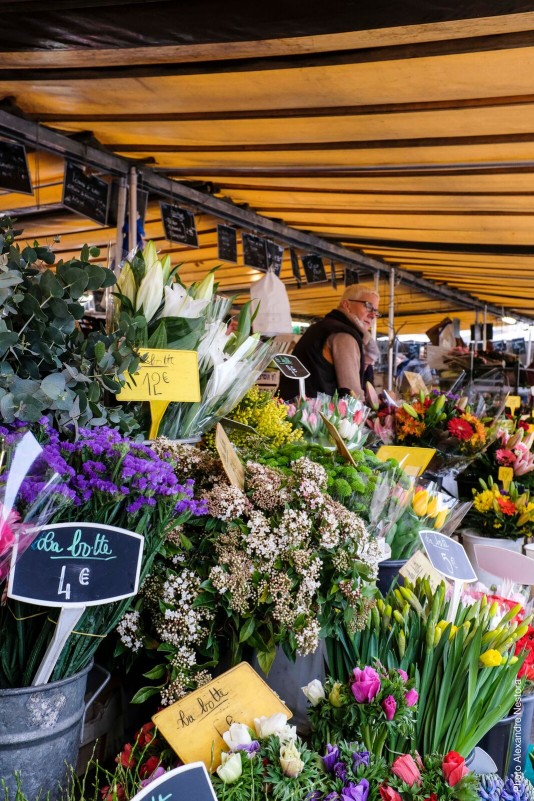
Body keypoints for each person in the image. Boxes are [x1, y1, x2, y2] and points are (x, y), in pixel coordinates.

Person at [278, 285, 381, 400]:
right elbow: (352, 393)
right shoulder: (344, 336)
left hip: (291, 408)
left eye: (376, 311)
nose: (372, 316)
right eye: (368, 306)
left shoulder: (322, 327)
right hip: (312, 413)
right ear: (346, 305)